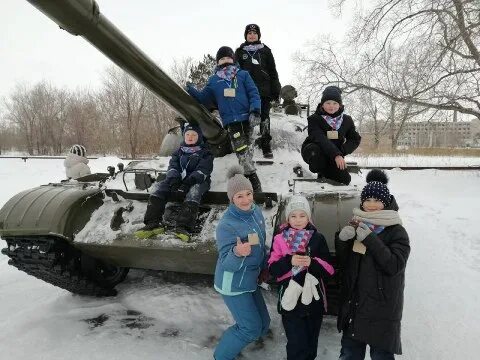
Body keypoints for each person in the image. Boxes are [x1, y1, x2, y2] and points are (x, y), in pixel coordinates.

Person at [335, 169, 410, 359]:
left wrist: (370, 239)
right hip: (357, 304)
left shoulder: (396, 231)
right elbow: (346, 265)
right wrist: (343, 241)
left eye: (377, 200)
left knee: (381, 356)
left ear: (385, 202)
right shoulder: (357, 223)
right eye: (367, 200)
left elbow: (394, 265)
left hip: (382, 309)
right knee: (350, 355)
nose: (371, 205)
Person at [187, 46, 263, 193]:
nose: (225, 60)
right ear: (217, 62)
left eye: (228, 57)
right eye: (222, 58)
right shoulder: (214, 80)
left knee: (248, 147)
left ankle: (247, 173)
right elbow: (204, 98)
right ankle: (253, 180)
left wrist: (255, 110)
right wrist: (191, 90)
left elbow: (254, 93)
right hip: (231, 121)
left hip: (247, 118)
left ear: (233, 59)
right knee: (241, 149)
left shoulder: (243, 75)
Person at [213, 165, 270, 360]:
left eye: (248, 193)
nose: (246, 200)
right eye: (239, 196)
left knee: (263, 324)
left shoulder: (256, 213)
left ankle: (243, 338)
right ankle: (221, 356)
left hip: (250, 278)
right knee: (251, 328)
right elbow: (226, 262)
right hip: (233, 283)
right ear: (231, 199)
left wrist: (267, 264)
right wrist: (237, 252)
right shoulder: (226, 225)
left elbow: (261, 244)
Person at [268, 195, 335, 360]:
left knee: (311, 345)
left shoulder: (317, 238)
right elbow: (273, 269)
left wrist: (312, 262)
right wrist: (289, 261)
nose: (298, 220)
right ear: (288, 218)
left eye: (302, 215)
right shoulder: (279, 239)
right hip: (290, 302)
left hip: (314, 301)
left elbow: (329, 270)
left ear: (308, 217)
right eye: (293, 216)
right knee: (296, 345)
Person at [135, 123, 213, 242]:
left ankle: (184, 227)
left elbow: (203, 170)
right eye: (187, 134)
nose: (190, 137)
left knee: (194, 191)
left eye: (194, 134)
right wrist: (174, 180)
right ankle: (153, 223)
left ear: (199, 137)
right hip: (178, 181)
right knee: (158, 188)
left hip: (198, 181)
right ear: (184, 136)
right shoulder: (178, 152)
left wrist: (187, 183)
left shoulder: (205, 153)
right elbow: (172, 167)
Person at [235, 24, 281, 159]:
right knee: (245, 117)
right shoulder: (240, 52)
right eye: (249, 33)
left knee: (264, 117)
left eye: (255, 33)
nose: (252, 35)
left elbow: (273, 71)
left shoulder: (265, 51)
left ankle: (265, 144)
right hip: (245, 91)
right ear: (246, 35)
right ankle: (245, 144)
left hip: (263, 90)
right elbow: (235, 71)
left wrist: (275, 89)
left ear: (259, 35)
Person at [301, 86, 361, 185]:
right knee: (316, 156)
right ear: (322, 104)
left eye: (335, 103)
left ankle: (326, 173)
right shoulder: (314, 119)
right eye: (328, 103)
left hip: (334, 154)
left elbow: (355, 139)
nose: (331, 106)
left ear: (340, 105)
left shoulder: (347, 120)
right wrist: (336, 154)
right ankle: (321, 172)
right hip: (314, 150)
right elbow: (320, 138)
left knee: (345, 179)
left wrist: (341, 151)